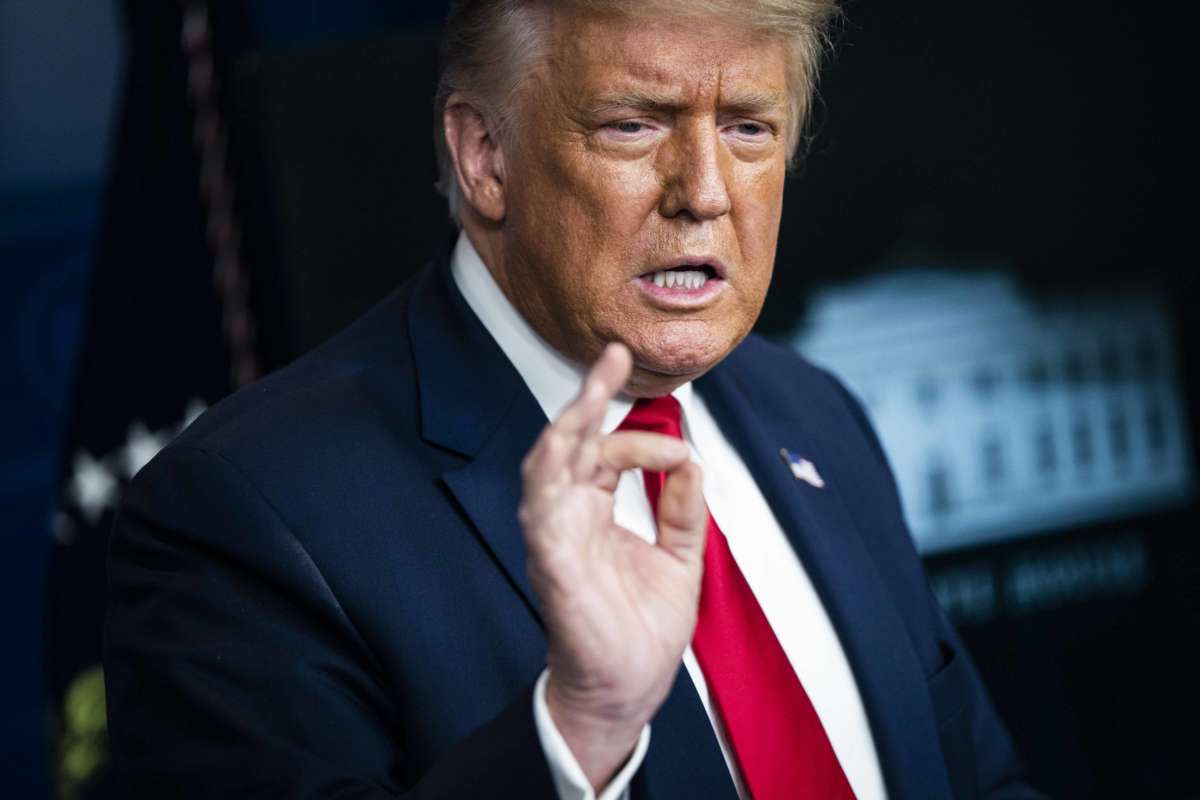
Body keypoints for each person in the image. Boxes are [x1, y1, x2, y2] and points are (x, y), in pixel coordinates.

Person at [104, 1, 1041, 798]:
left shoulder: (816, 414)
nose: (705, 194)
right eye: (634, 123)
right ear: (484, 158)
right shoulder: (243, 517)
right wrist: (579, 730)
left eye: (748, 125)